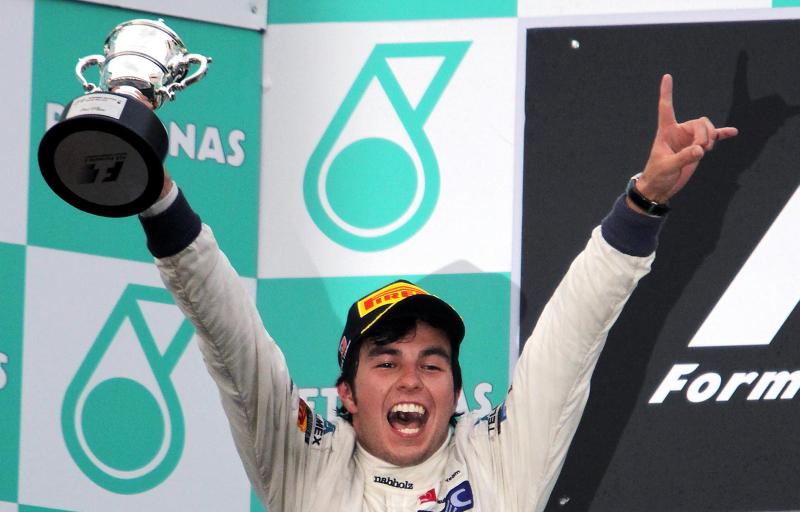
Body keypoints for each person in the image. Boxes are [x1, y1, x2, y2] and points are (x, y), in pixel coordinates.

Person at [138, 75, 736, 511]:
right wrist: (155, 193)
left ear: (455, 394)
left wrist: (644, 203)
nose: (411, 380)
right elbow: (232, 338)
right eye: (387, 361)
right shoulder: (307, 467)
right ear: (344, 393)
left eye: (432, 363)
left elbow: (571, 338)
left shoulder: (497, 463)